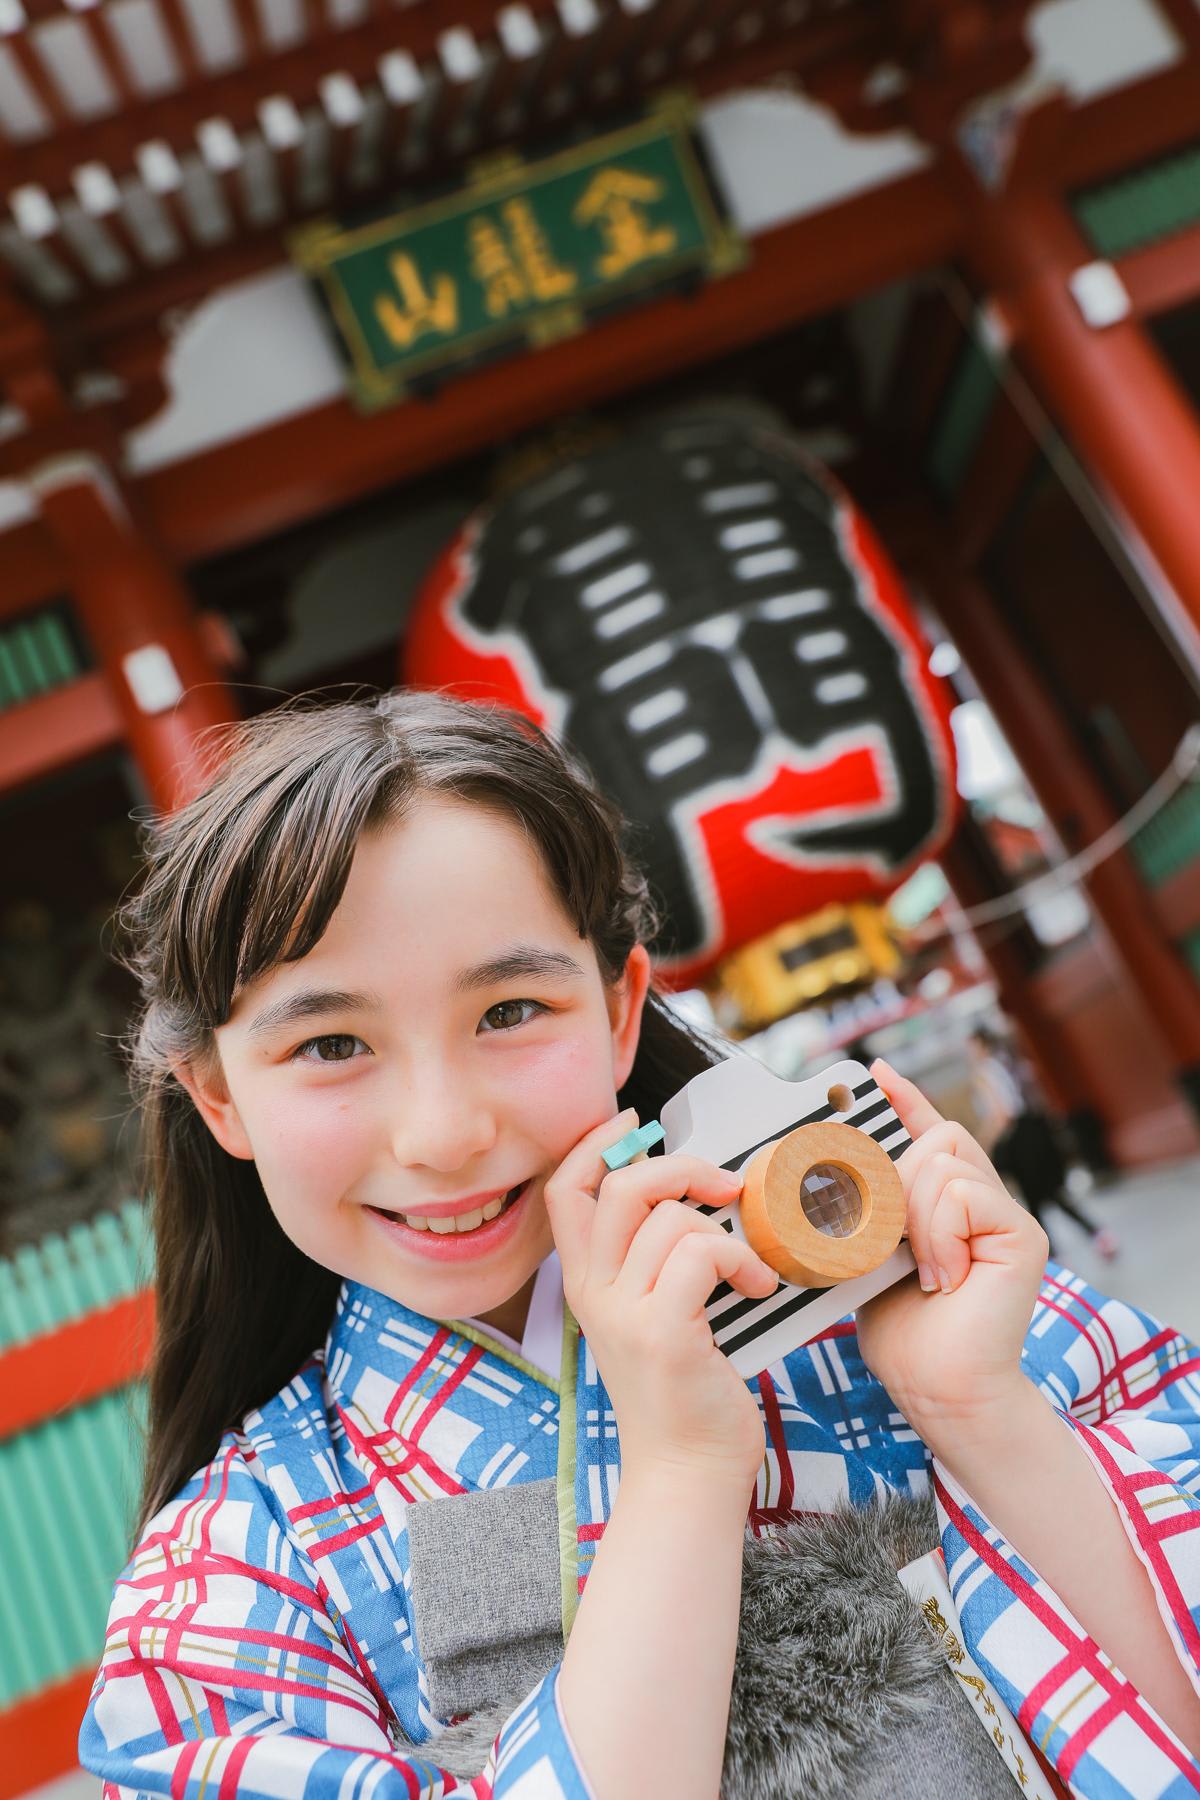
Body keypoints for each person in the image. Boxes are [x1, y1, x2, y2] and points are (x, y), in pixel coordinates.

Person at [79, 691, 1200, 1799]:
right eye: (330, 1043)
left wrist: (981, 1412)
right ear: (219, 1095)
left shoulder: (902, 1306)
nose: (446, 1134)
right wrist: (677, 1471)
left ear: (621, 1011)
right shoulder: (229, 1573)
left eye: (510, 1012)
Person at [968, 1024, 1119, 1259]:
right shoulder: (1011, 1062)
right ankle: (1092, 1238)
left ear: (980, 1045)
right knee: (1050, 1194)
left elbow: (1002, 1114)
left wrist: (982, 1142)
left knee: (1036, 1198)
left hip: (1021, 1142)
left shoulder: (986, 1073)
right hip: (1039, 1132)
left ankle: (1055, 1258)